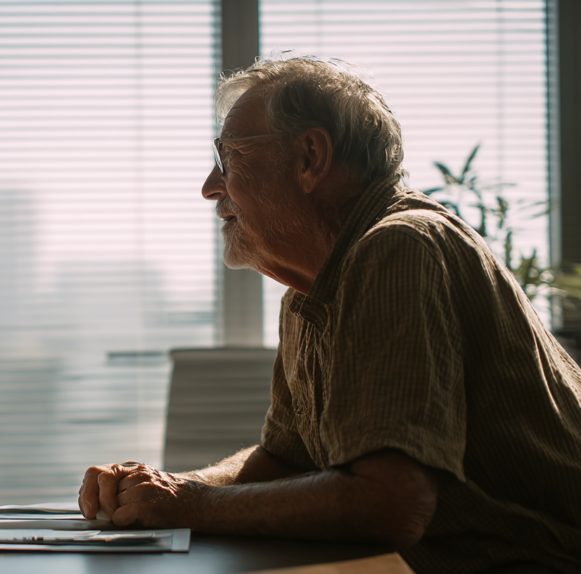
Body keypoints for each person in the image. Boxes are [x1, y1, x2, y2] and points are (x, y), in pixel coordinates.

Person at [78, 56, 581, 573]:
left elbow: (389, 503)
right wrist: (164, 490)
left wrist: (191, 505)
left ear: (310, 157)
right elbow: (284, 461)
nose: (209, 186)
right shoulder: (309, 291)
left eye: (229, 157)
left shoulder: (399, 247)